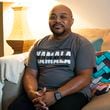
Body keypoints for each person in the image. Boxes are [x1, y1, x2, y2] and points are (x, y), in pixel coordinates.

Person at [8, 4, 96, 110]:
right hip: (42, 93)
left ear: (72, 21)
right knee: (15, 108)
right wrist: (33, 94)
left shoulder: (81, 44)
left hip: (72, 94)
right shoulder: (39, 44)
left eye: (63, 17)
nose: (57, 20)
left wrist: (56, 95)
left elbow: (85, 77)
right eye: (52, 17)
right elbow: (30, 74)